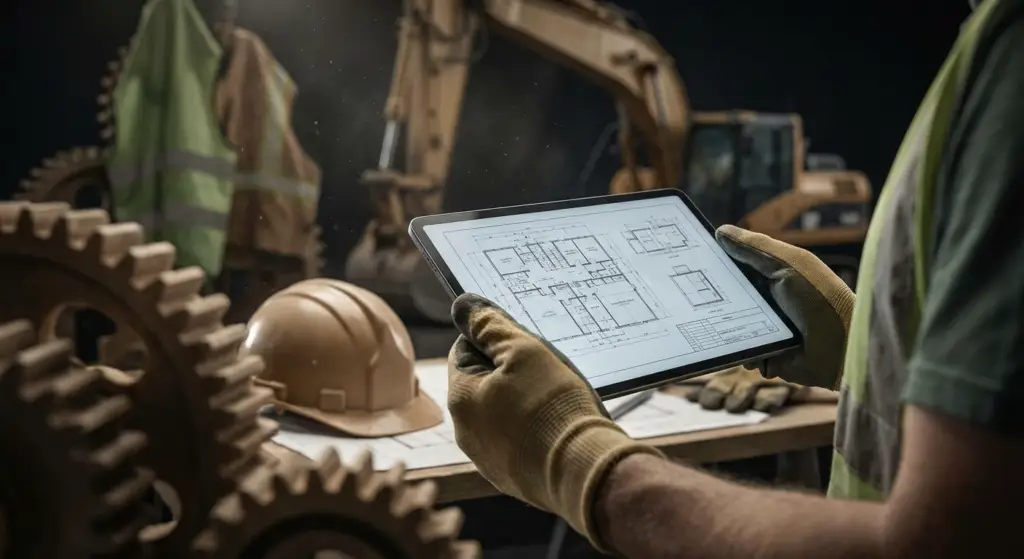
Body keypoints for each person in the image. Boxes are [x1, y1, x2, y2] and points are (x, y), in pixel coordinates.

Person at [443, 0, 1024, 556]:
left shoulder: (1010, 60)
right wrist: (859, 352)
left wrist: (576, 462)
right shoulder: (988, 39)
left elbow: (953, 546)